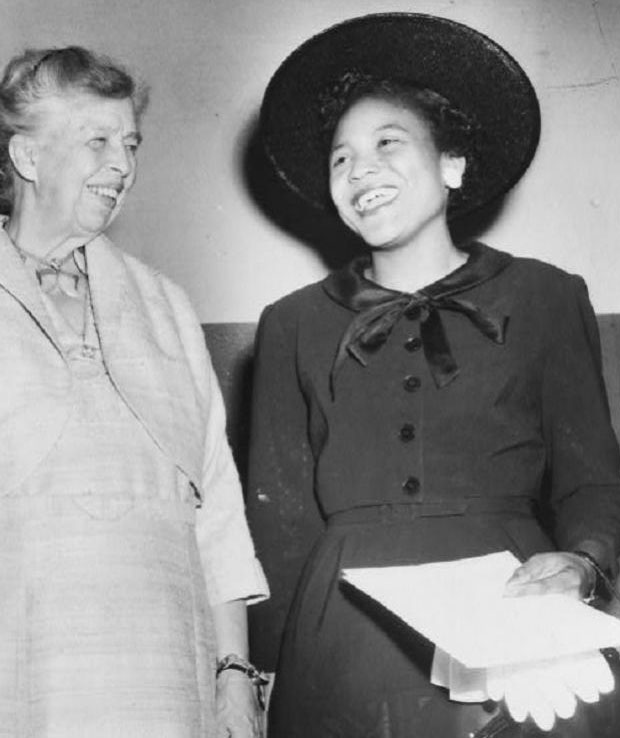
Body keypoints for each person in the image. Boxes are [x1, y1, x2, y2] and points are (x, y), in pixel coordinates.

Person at [0, 46, 269, 737]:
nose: (124, 165)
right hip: (2, 684)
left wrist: (233, 680)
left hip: (168, 685)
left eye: (130, 143)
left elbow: (218, 510)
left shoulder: (164, 303)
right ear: (28, 158)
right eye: (97, 141)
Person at [251, 13, 620, 738]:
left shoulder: (546, 297)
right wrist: (271, 669)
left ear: (453, 164)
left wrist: (584, 564)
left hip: (518, 626)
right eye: (340, 159)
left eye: (388, 144)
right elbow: (280, 521)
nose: (361, 172)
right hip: (346, 643)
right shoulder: (291, 323)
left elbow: (592, 480)